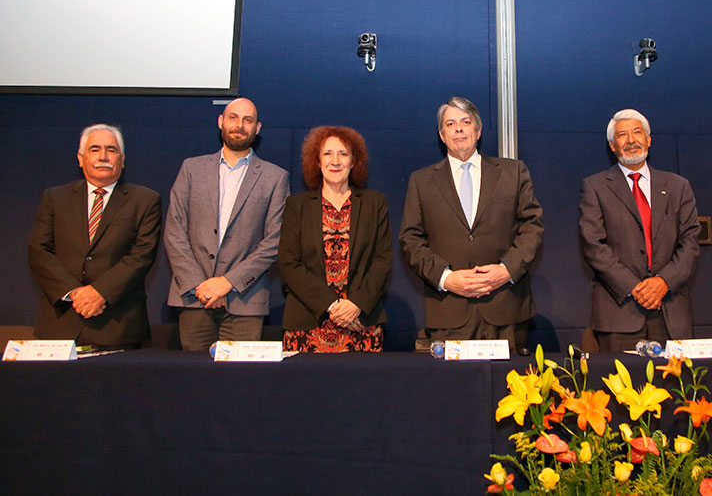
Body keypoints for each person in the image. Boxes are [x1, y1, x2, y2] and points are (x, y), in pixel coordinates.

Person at [399, 96, 543, 348]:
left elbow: (532, 227)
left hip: (506, 308)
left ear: (478, 131)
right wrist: (446, 278)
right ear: (441, 135)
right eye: (450, 124)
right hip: (449, 312)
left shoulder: (513, 172)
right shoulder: (421, 181)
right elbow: (410, 240)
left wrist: (506, 270)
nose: (458, 129)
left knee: (512, 387)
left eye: (465, 122)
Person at [163, 98, 290, 351]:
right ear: (221, 121)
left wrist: (227, 282)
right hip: (193, 297)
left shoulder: (275, 177)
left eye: (248, 120)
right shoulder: (191, 169)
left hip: (245, 301)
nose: (239, 125)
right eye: (233, 117)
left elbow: (275, 240)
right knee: (193, 383)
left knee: (238, 385)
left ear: (258, 128)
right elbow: (174, 231)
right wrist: (202, 285)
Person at [27, 124, 161, 348]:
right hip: (60, 324)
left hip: (118, 326)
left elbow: (141, 256)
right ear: (80, 158)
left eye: (111, 150)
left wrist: (100, 293)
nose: (103, 156)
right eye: (95, 149)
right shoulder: (54, 198)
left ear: (123, 159)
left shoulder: (145, 200)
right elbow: (39, 251)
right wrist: (75, 294)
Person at [578, 109, 700, 352]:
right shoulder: (595, 187)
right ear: (613, 146)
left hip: (671, 311)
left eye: (637, 133)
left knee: (676, 389)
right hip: (619, 312)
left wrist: (663, 282)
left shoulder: (678, 186)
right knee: (622, 388)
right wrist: (636, 288)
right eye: (623, 135)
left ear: (649, 140)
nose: (631, 140)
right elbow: (593, 245)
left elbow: (690, 242)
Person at [277, 126, 392, 352]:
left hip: (361, 323)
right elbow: (289, 263)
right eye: (327, 154)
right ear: (317, 162)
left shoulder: (375, 203)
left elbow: (382, 260)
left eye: (343, 154)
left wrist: (356, 304)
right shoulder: (296, 206)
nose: (335, 161)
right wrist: (332, 306)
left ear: (354, 161)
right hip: (308, 324)